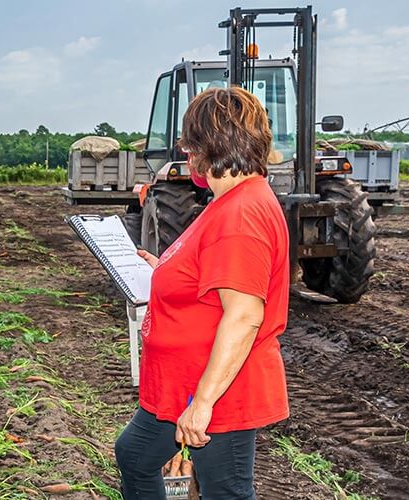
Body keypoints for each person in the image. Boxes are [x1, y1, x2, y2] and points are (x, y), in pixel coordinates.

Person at [113, 87, 291, 499]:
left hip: (215, 390)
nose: (187, 154)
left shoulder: (241, 214)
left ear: (208, 145)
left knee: (225, 491)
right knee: (135, 455)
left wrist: (204, 403)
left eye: (190, 144)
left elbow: (244, 315)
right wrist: (167, 273)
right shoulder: (228, 202)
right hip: (181, 382)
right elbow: (214, 282)